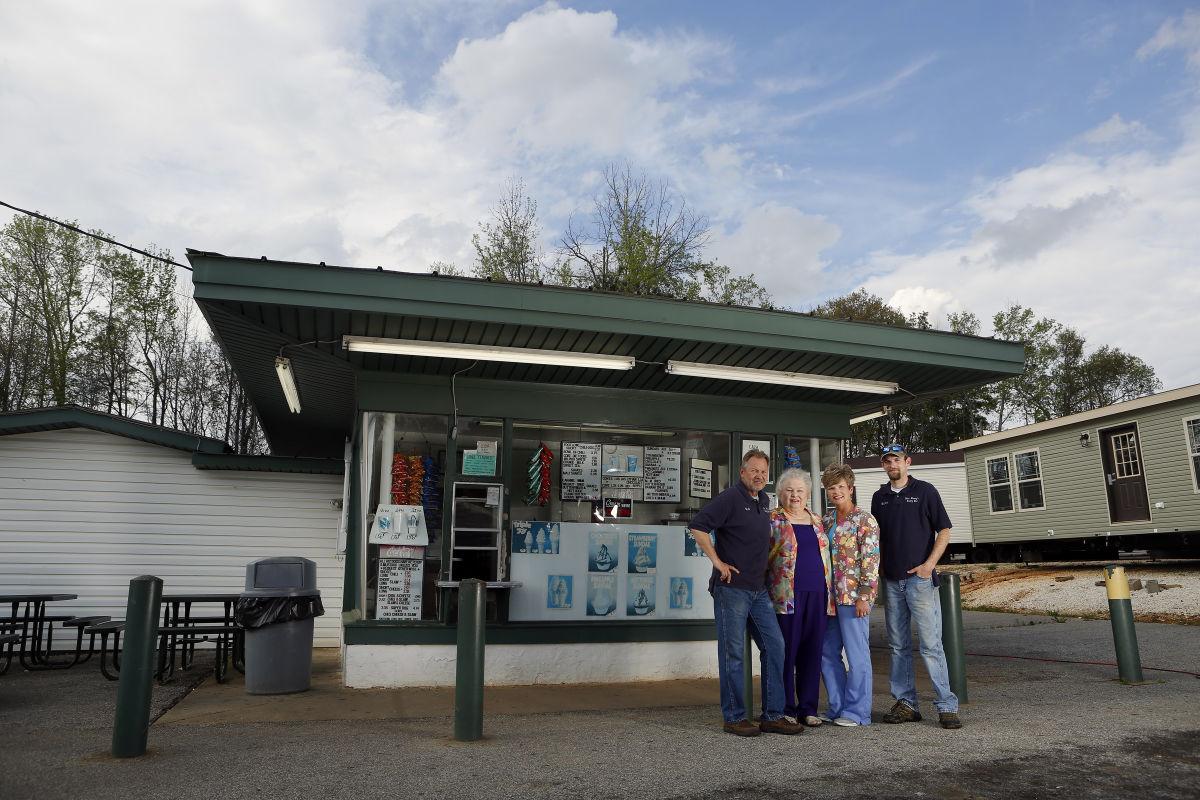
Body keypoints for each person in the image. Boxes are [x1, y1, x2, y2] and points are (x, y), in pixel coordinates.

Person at [689, 449, 803, 737]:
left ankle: (772, 715)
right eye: (754, 470)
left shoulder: (765, 502)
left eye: (763, 472)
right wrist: (717, 562)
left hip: (758, 590)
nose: (759, 476)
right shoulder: (730, 498)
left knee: (775, 646)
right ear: (742, 472)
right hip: (732, 590)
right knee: (733, 654)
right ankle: (734, 717)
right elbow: (698, 527)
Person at [872, 444, 962, 729]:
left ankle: (946, 705)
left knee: (931, 645)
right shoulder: (880, 497)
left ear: (907, 462)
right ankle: (907, 703)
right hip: (892, 581)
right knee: (898, 645)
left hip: (919, 581)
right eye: (887, 461)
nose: (891, 465)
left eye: (896, 459)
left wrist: (929, 565)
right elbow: (878, 540)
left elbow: (944, 530)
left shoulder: (925, 491)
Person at [766, 468, 833, 727]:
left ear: (808, 494)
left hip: (818, 594)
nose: (795, 495)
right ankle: (785, 708)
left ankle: (808, 708)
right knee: (786, 652)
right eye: (789, 490)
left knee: (812, 652)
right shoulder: (772, 519)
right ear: (781, 493)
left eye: (800, 491)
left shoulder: (818, 520)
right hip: (786, 596)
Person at [819, 463, 880, 727]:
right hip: (829, 599)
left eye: (840, 487)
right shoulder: (827, 520)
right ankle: (838, 707)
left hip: (854, 597)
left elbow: (871, 559)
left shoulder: (864, 520)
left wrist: (865, 595)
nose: (836, 492)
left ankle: (858, 712)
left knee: (856, 656)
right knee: (827, 653)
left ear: (851, 488)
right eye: (831, 488)